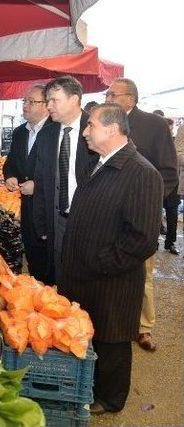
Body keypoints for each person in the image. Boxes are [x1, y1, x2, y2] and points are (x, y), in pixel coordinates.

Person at [60, 103, 162, 415]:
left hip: (111, 280)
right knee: (92, 336)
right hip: (86, 274)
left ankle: (111, 399)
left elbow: (142, 238)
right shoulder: (101, 161)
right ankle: (91, 389)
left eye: (90, 126)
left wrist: (102, 263)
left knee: (112, 339)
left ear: (112, 129)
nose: (86, 132)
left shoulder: (142, 173)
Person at [105, 78, 179, 351]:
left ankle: (144, 327)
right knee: (110, 265)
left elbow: (169, 173)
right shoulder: (103, 122)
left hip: (141, 215)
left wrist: (149, 203)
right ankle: (112, 319)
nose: (108, 97)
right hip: (107, 212)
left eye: (113, 94)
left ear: (130, 99)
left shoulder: (154, 125)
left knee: (142, 271)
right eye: (107, 93)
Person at [32, 76, 97, 284]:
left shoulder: (97, 129)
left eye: (54, 100)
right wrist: (41, 224)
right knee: (59, 275)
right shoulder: (47, 134)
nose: (49, 106)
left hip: (89, 221)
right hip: (56, 219)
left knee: (86, 278)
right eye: (47, 100)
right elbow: (41, 182)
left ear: (74, 99)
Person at [3, 84, 53, 283]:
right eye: (24, 101)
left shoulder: (55, 132)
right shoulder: (19, 133)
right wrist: (10, 176)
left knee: (48, 264)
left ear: (46, 105)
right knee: (31, 257)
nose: (26, 106)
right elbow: (11, 163)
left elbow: (61, 174)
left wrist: (38, 186)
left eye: (32, 102)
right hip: (27, 209)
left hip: (47, 211)